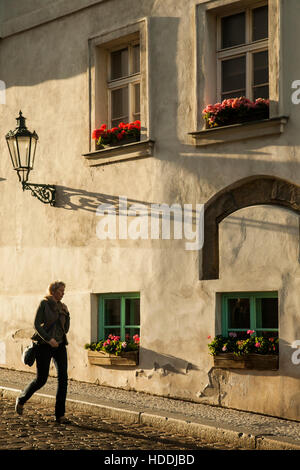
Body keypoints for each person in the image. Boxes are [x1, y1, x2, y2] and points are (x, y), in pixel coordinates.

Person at [15, 281, 70, 424]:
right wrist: (48, 339)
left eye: (64, 291)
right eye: (61, 291)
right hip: (44, 346)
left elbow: (66, 329)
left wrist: (67, 314)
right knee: (41, 379)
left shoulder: (62, 307)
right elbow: (36, 325)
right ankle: (21, 399)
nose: (63, 293)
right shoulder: (44, 304)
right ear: (53, 291)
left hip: (60, 345)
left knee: (63, 379)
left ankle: (60, 415)